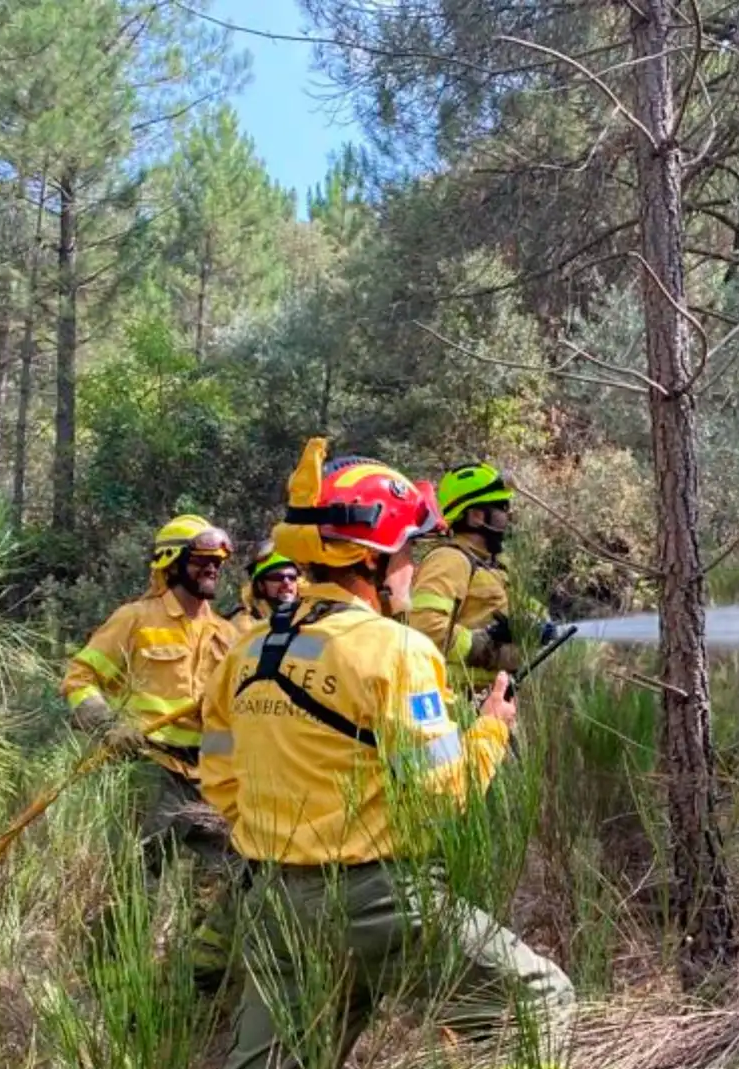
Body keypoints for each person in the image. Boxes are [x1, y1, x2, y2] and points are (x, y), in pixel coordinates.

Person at [199, 439, 574, 1069]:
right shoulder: (394, 651)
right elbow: (441, 795)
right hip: (379, 904)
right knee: (541, 1000)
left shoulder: (247, 651)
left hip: (273, 904)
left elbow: (221, 780)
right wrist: (489, 730)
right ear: (371, 558)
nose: (411, 567)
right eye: (406, 551)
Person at [60, 513, 242, 989]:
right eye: (203, 561)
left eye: (218, 563)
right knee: (137, 885)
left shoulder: (227, 633)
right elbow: (80, 680)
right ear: (172, 562)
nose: (213, 570)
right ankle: (108, 987)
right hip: (149, 768)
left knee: (231, 872)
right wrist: (108, 723)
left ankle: (196, 982)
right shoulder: (136, 619)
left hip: (209, 776)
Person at [409, 462, 527, 691]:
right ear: (476, 516)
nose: (508, 517)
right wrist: (488, 646)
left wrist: (537, 624)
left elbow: (516, 605)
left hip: (495, 700)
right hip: (460, 702)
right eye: (502, 507)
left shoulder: (497, 566)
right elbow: (425, 627)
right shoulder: (449, 560)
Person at [230, 539, 302, 634]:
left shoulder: (311, 614)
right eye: (277, 577)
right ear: (260, 585)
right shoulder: (244, 624)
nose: (286, 582)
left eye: (292, 577)